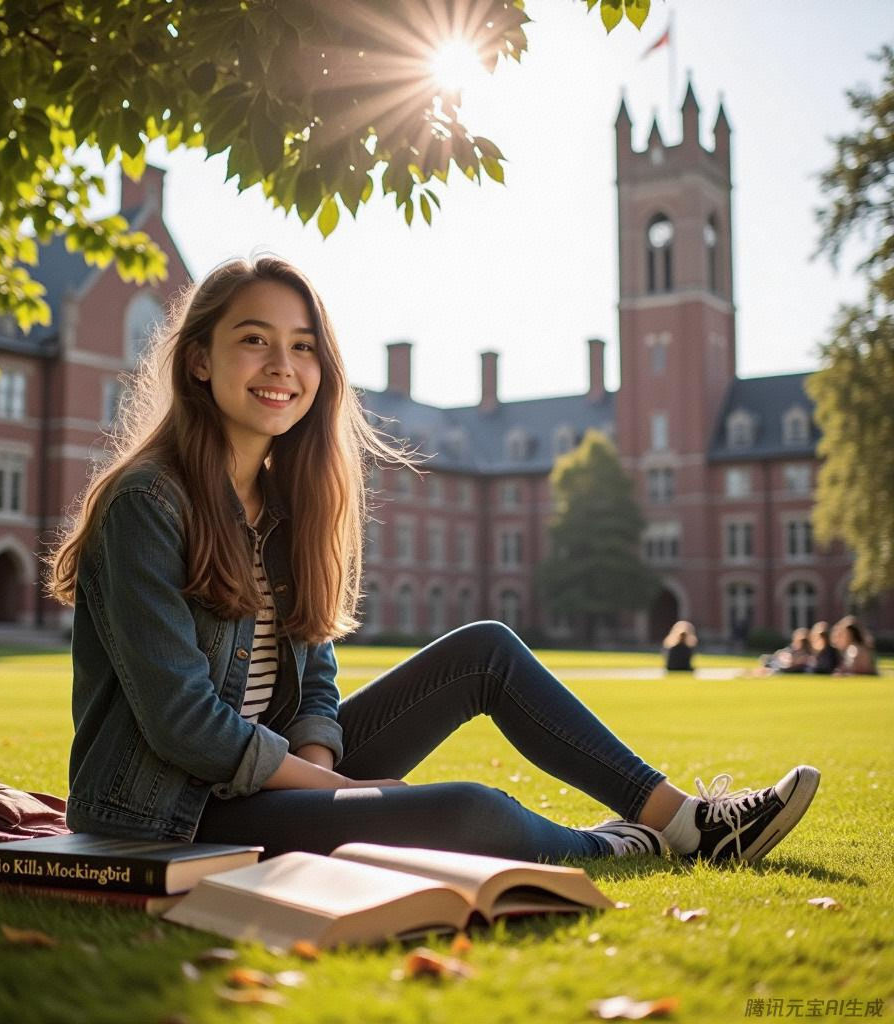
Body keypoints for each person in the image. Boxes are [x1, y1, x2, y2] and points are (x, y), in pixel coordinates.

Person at [48, 256, 820, 868]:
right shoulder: (147, 502)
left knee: (484, 648)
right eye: (254, 339)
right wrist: (333, 790)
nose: (282, 364)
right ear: (199, 363)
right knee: (466, 812)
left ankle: (683, 820)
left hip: (274, 777)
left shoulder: (291, 502)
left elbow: (315, 678)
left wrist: (327, 779)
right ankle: (615, 846)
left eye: (303, 346)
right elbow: (186, 726)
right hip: (167, 811)